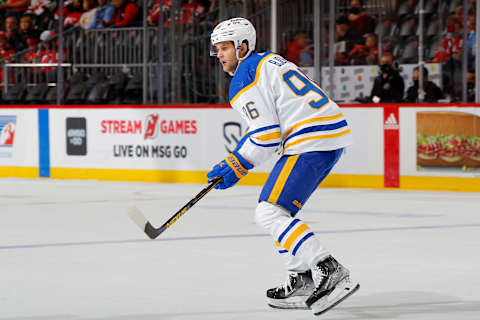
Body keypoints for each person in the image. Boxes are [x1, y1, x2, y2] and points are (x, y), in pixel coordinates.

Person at [207, 17, 359, 316]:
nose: (220, 55)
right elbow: (268, 130)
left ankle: (329, 269)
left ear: (243, 47)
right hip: (326, 135)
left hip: (311, 140)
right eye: (217, 49)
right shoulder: (268, 60)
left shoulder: (243, 77)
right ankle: (300, 279)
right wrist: (237, 158)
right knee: (279, 212)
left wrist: (235, 165)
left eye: (225, 47)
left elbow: (266, 136)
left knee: (269, 212)